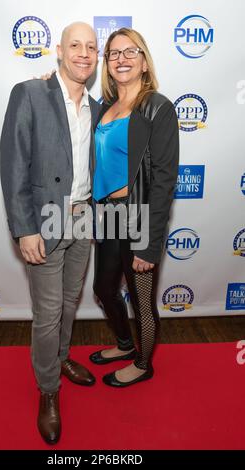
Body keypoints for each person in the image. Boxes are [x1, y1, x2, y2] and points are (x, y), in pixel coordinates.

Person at [0, 22, 101, 445]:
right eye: (75, 45)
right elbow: (14, 164)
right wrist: (25, 229)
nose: (83, 53)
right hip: (44, 222)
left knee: (68, 301)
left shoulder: (97, 108)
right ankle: (48, 391)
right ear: (58, 51)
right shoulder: (30, 93)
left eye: (91, 47)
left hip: (84, 219)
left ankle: (60, 359)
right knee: (47, 315)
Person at [89, 28, 179, 387]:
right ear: (108, 64)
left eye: (131, 52)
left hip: (138, 214)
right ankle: (125, 344)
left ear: (144, 61)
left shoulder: (157, 107)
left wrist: (150, 242)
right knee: (103, 288)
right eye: (114, 53)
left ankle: (143, 364)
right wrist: (47, 83)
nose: (122, 58)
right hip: (109, 216)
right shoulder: (104, 108)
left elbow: (163, 180)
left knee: (142, 298)